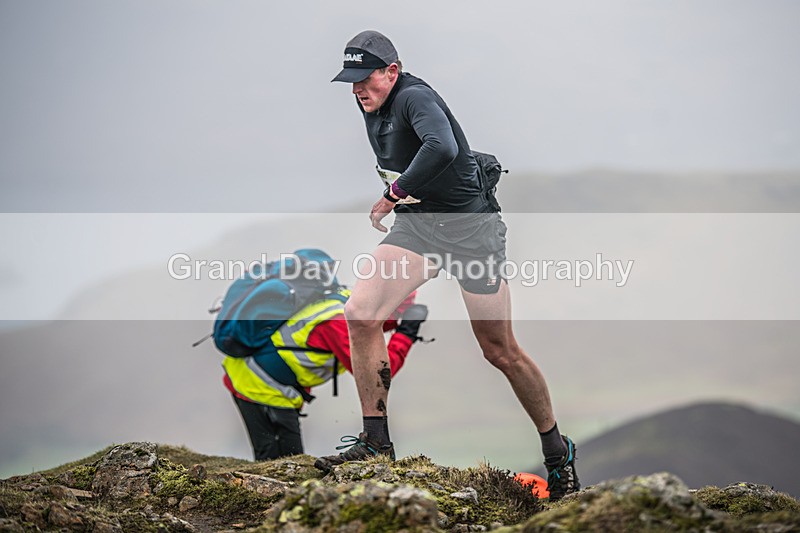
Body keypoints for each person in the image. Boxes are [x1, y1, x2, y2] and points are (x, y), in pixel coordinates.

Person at [318, 30, 579, 499]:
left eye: (365, 78)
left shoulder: (414, 97)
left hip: (470, 233)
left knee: (499, 351)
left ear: (391, 71)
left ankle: (558, 454)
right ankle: (376, 443)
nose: (357, 89)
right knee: (360, 313)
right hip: (419, 227)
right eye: (351, 81)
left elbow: (442, 147)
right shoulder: (372, 102)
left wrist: (392, 195)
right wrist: (404, 197)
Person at [221, 263, 428, 461]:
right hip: (258, 384)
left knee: (282, 459)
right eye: (398, 311)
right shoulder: (337, 323)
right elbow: (378, 374)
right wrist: (406, 333)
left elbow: (369, 324)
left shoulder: (348, 302)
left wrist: (398, 321)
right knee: (283, 461)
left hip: (261, 378)